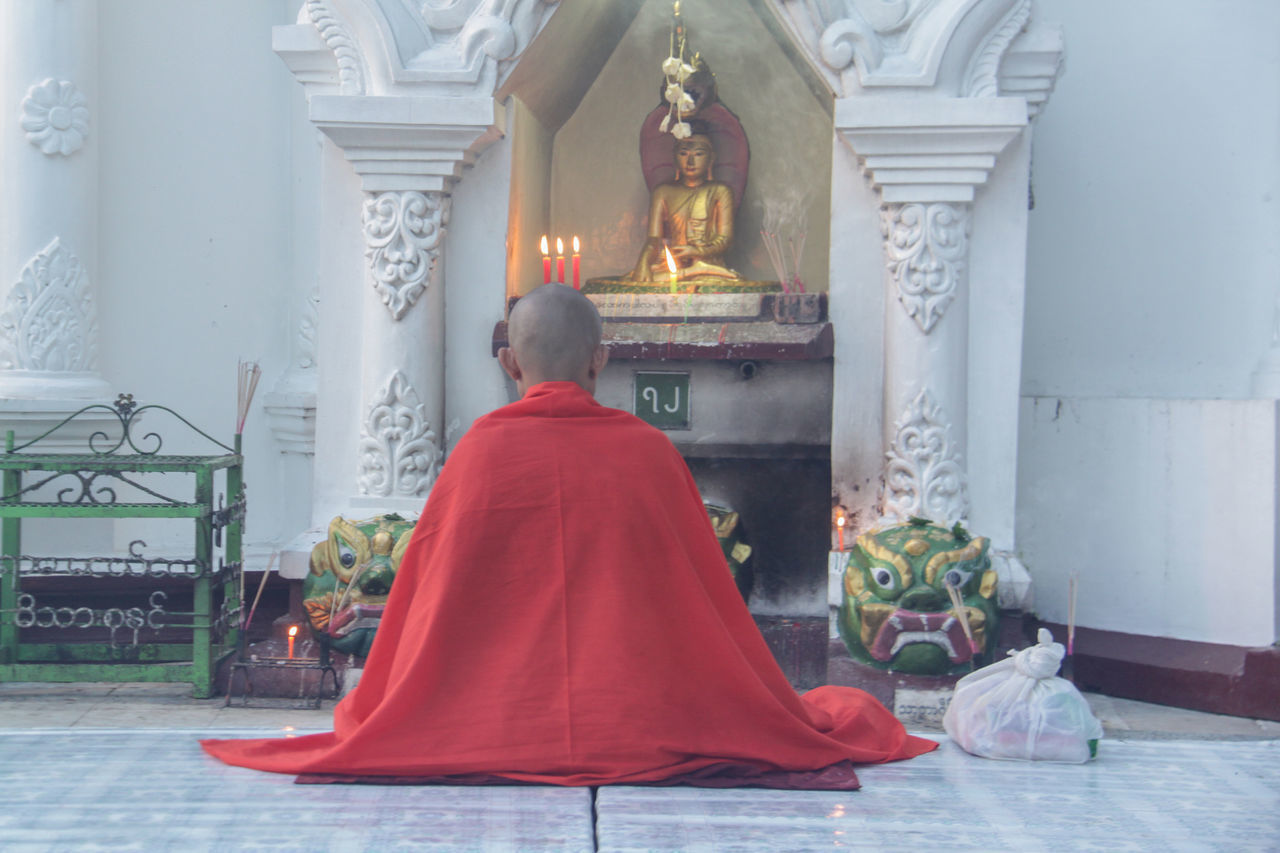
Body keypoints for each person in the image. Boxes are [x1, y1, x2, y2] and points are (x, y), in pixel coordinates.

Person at [201, 285, 934, 786]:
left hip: (487, 720)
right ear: (600, 358)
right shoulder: (649, 451)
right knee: (838, 714)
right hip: (643, 721)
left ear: (510, 363)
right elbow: (706, 605)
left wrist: (386, 702)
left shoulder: (478, 454)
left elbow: (425, 606)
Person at [628, 133, 741, 283]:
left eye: (699, 154)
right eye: (683, 154)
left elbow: (725, 239)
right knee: (639, 279)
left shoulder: (720, 191)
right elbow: (654, 238)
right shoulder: (663, 191)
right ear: (674, 158)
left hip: (710, 266)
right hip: (674, 264)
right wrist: (643, 261)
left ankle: (699, 269)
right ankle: (691, 271)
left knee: (728, 281)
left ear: (711, 158)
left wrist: (698, 252)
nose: (690, 161)